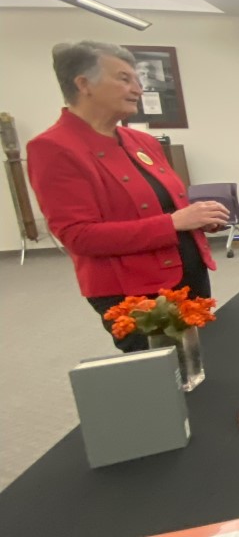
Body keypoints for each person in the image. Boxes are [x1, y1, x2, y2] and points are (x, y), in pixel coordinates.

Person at [27, 41, 228, 352]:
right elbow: (78, 236)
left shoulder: (142, 142)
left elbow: (162, 206)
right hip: (134, 291)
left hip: (188, 277)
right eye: (124, 78)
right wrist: (173, 222)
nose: (137, 87)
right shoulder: (54, 148)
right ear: (84, 84)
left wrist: (199, 219)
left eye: (136, 78)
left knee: (206, 360)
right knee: (166, 377)